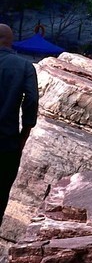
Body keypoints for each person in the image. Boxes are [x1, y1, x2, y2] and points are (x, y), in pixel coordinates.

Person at [0, 25, 38, 221]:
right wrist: (23, 136)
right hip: (7, 145)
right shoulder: (24, 67)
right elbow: (31, 101)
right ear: (10, 41)